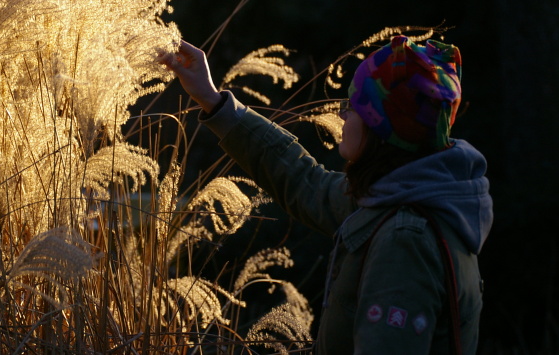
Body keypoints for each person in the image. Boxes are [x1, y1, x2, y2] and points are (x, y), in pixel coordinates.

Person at [160, 36, 493, 354]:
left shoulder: (406, 239)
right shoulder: (395, 200)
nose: (342, 115)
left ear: (380, 126)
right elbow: (307, 183)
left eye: (354, 105)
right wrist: (214, 101)